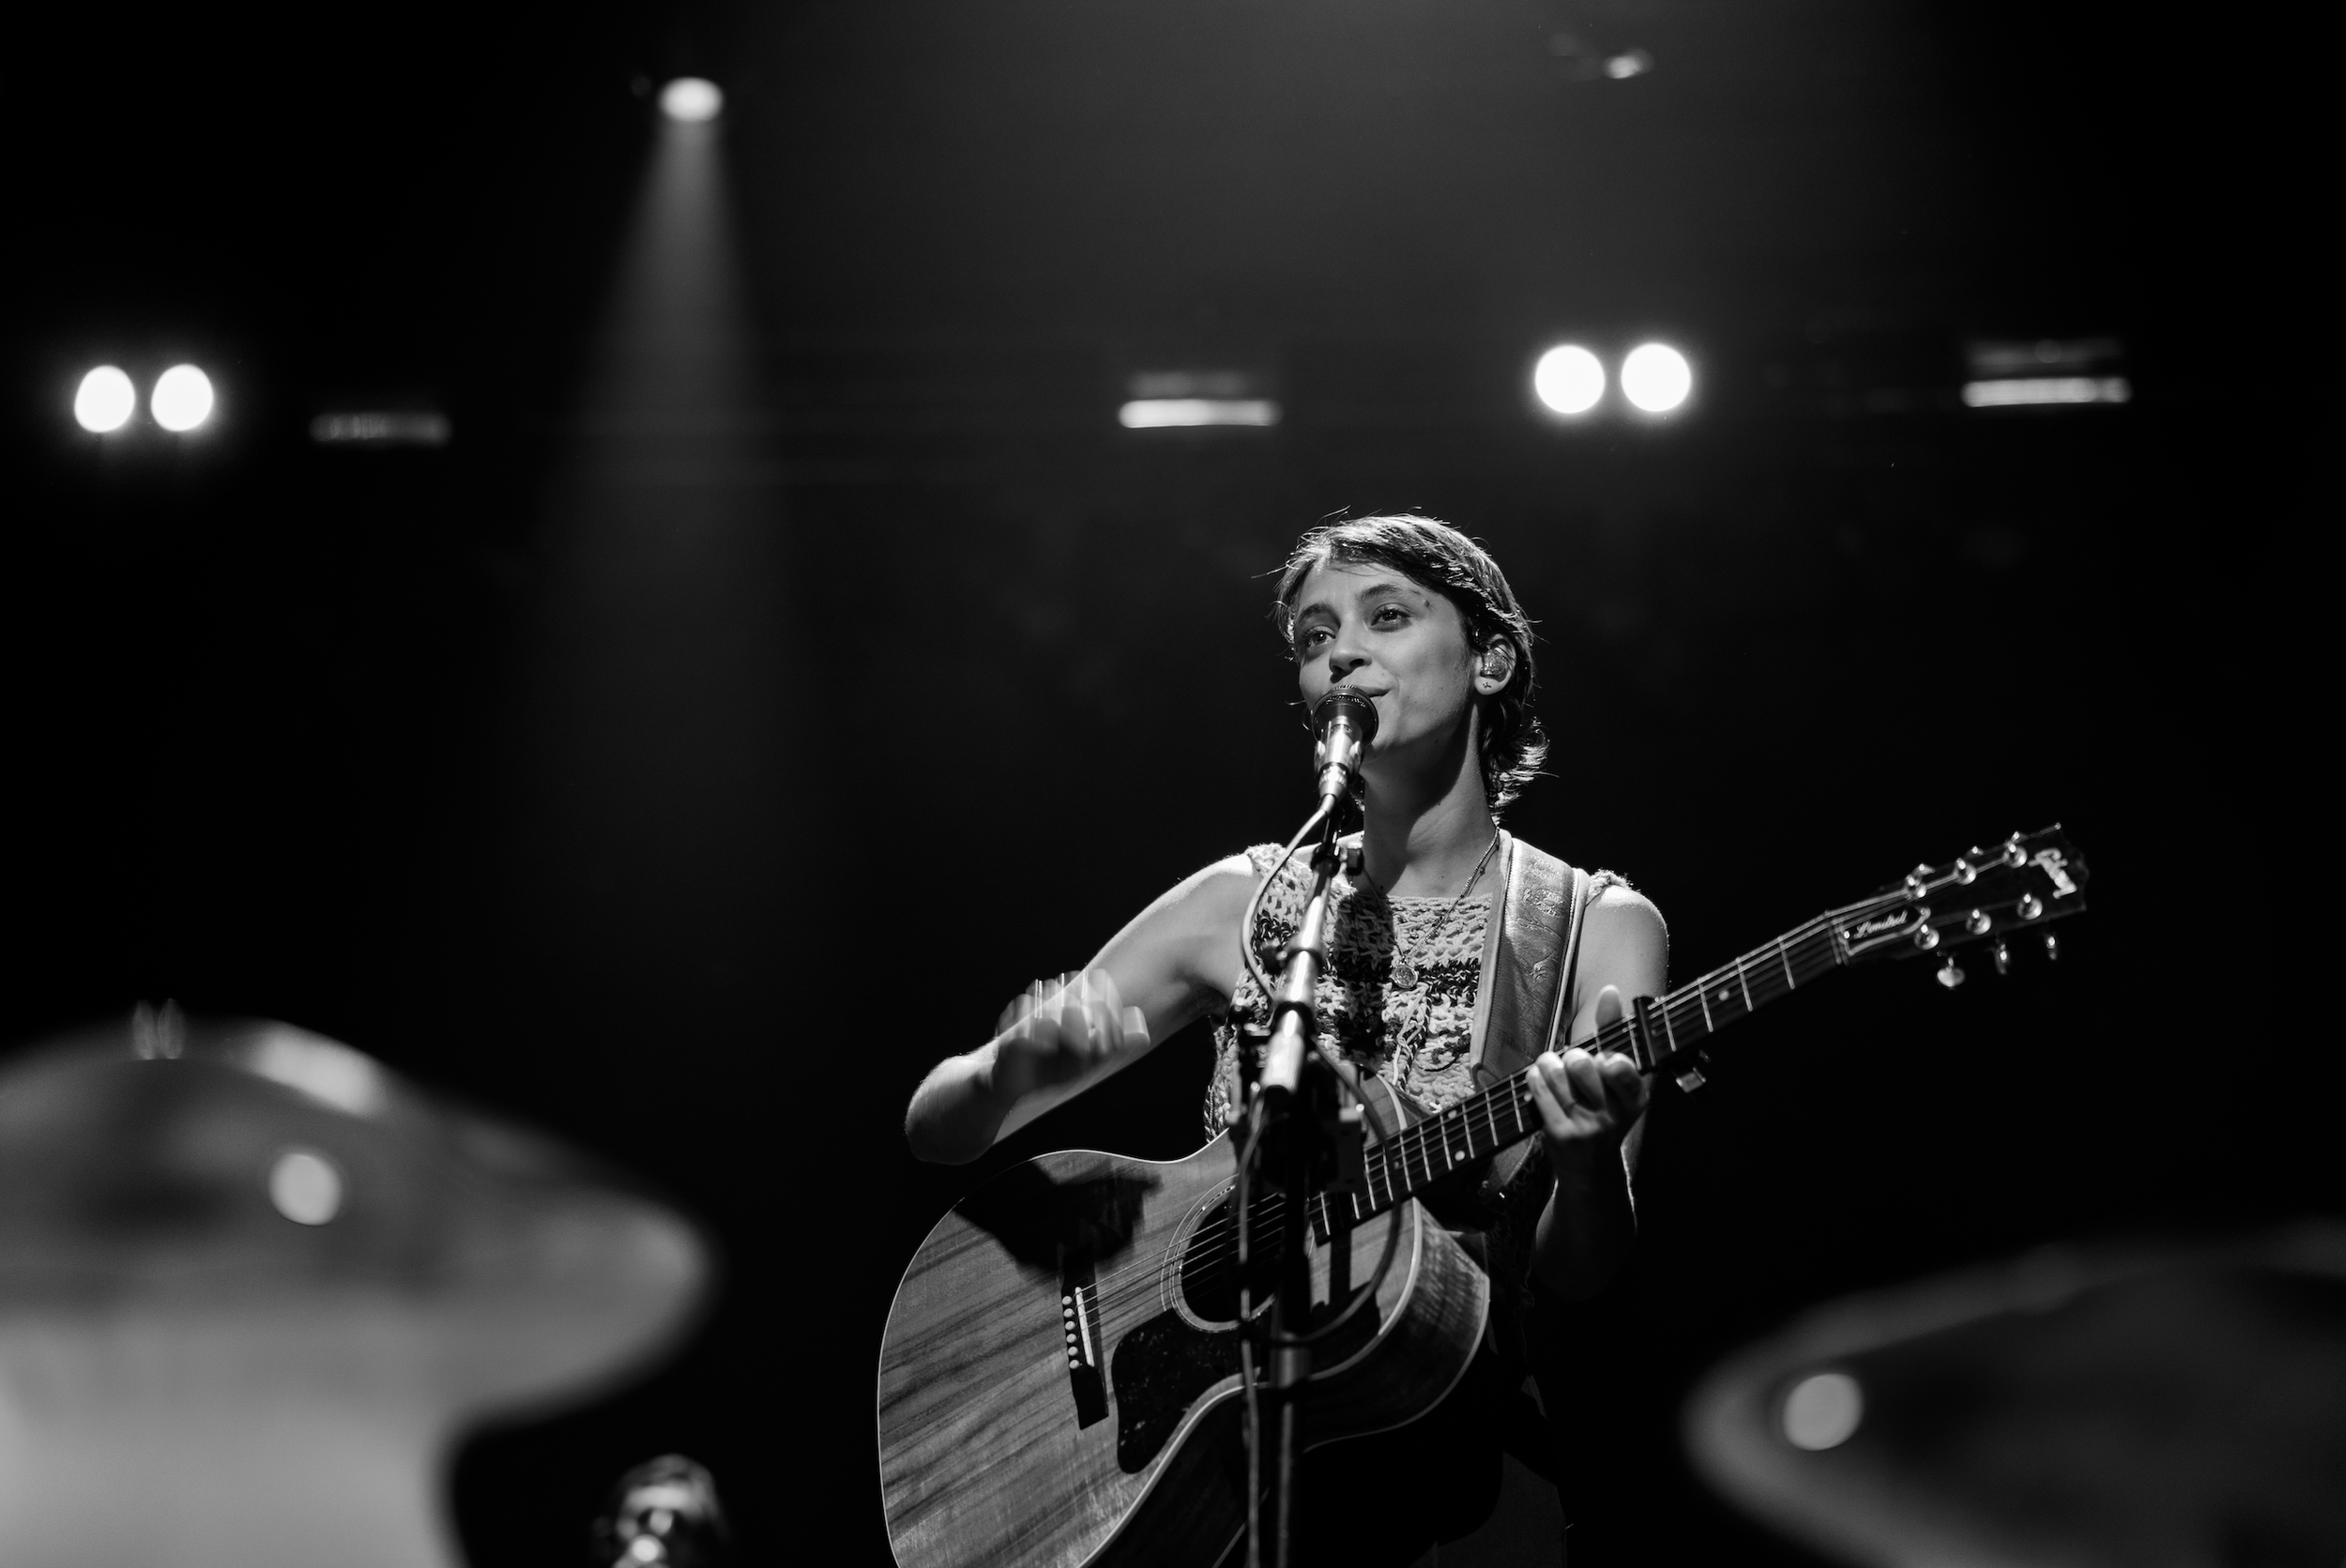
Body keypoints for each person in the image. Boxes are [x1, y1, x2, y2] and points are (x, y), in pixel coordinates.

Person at [905, 514, 1668, 1565]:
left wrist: (1585, 1168)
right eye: (1313, 638)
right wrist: (1005, 1070)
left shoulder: (1592, 925)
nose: (1340, 651)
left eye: (1386, 617)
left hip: (1458, 1474)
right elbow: (936, 1128)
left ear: (1491, 659)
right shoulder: (1251, 900)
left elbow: (1579, 1278)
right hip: (1223, 1472)